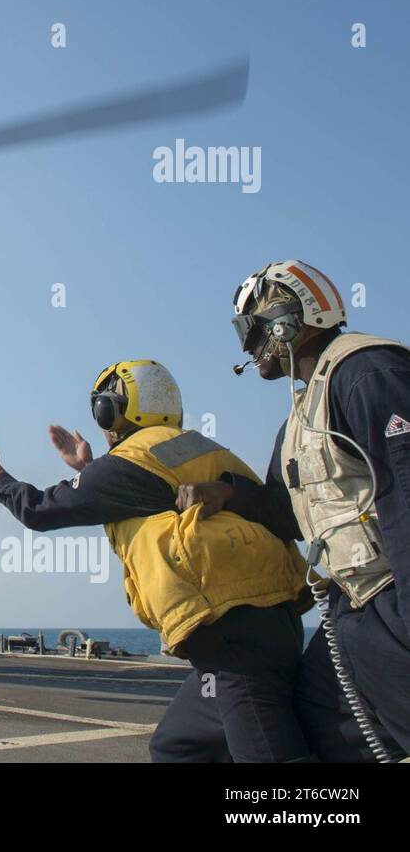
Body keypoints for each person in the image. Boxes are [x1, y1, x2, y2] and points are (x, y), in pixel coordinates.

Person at [0, 359, 313, 762]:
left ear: (112, 409)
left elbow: (39, 510)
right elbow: (146, 494)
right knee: (178, 746)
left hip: (234, 635)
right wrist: (90, 468)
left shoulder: (133, 460)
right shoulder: (203, 449)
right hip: (270, 620)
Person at [180, 260, 410, 762]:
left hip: (393, 607)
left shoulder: (368, 372)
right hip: (351, 611)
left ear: (288, 319)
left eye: (251, 329)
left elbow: (405, 500)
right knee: (309, 729)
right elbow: (286, 515)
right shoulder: (301, 417)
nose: (247, 346)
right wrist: (229, 495)